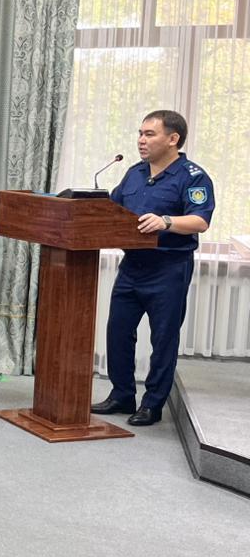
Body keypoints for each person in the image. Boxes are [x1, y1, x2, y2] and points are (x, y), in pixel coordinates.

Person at [91, 110, 216, 427]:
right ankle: (122, 395)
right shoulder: (134, 173)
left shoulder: (193, 176)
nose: (141, 140)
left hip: (169, 268)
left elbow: (200, 220)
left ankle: (152, 404)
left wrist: (166, 221)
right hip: (132, 266)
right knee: (118, 332)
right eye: (140, 133)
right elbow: (114, 210)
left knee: (163, 340)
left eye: (150, 134)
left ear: (173, 139)